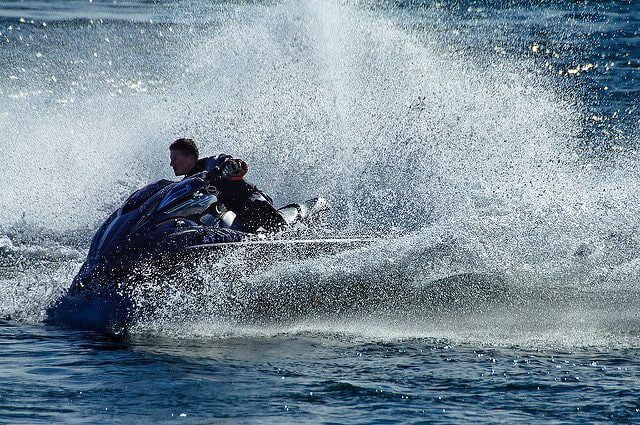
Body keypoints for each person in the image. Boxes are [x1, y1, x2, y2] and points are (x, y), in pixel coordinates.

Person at [169, 138, 285, 233]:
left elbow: (224, 160)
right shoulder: (186, 185)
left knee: (254, 207)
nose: (171, 163)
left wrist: (229, 165)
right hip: (229, 217)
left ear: (189, 158)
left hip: (250, 201)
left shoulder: (209, 164)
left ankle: (286, 234)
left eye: (175, 158)